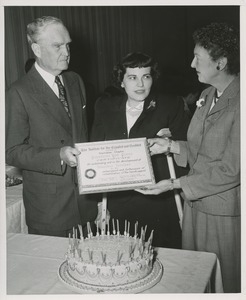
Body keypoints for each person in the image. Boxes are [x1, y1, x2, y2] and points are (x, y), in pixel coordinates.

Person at [137, 23, 240, 293]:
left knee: (225, 283)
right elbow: (202, 150)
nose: (191, 63)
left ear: (221, 63)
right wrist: (169, 146)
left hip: (223, 213)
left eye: (198, 58)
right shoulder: (207, 95)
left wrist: (174, 184)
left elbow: (232, 169)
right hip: (195, 206)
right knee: (196, 279)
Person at [5, 16, 98, 237]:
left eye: (68, 45)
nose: (66, 52)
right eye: (57, 46)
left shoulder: (75, 81)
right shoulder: (18, 92)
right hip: (50, 210)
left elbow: (83, 135)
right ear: (36, 49)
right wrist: (58, 155)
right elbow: (12, 152)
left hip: (85, 203)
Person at [90, 52, 190, 248]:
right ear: (121, 81)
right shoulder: (104, 106)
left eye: (146, 76)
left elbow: (187, 149)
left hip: (158, 201)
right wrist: (101, 205)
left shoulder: (170, 105)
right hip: (118, 201)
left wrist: (170, 145)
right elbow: (96, 154)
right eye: (132, 77)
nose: (140, 84)